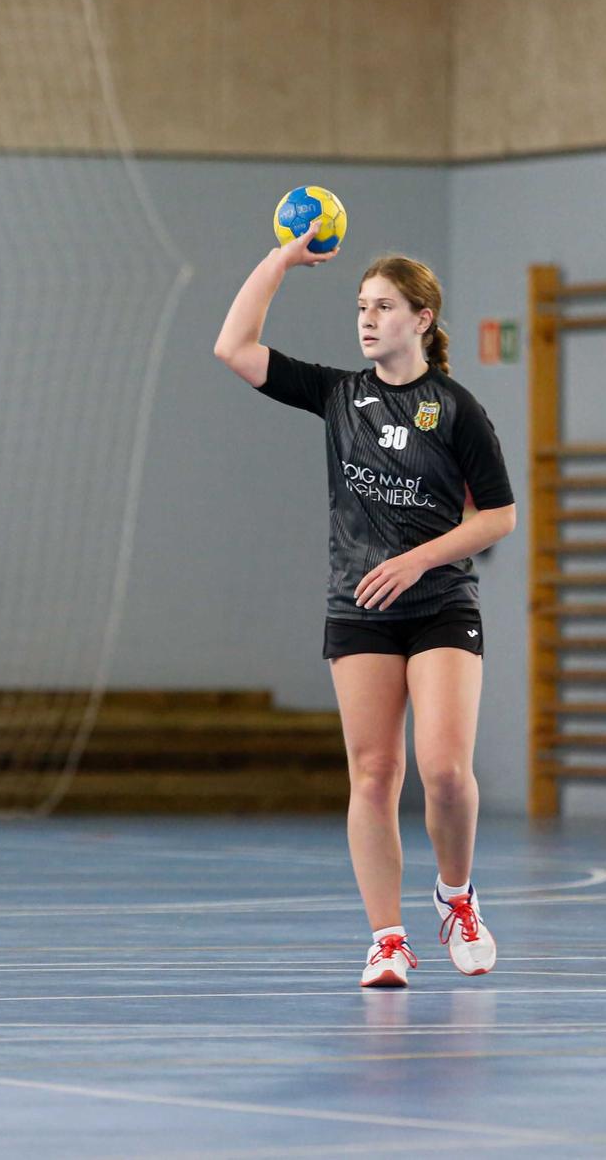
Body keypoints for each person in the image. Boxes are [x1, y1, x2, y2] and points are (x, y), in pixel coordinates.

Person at [214, 226, 517, 988]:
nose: (368, 318)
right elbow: (235, 347)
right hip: (359, 608)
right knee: (373, 774)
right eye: (361, 306)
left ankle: (457, 896)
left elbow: (499, 516)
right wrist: (280, 260)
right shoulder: (338, 394)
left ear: (422, 317)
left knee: (443, 771)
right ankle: (387, 938)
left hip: (440, 601)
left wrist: (417, 559)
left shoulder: (455, 409)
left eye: (384, 306)